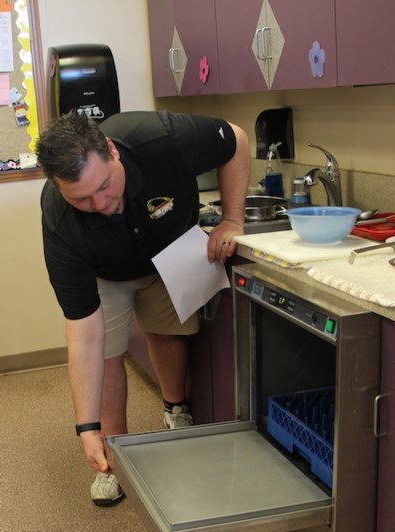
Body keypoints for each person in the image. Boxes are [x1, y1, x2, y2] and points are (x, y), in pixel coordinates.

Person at [35, 110, 249, 506]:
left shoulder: (161, 138)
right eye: (81, 198)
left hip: (170, 251)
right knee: (108, 353)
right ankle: (115, 452)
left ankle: (175, 407)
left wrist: (232, 219)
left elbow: (235, 139)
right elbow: (84, 336)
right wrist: (86, 428)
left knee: (168, 333)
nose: (99, 203)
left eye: (104, 186)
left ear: (112, 151)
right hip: (107, 272)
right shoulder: (60, 222)